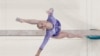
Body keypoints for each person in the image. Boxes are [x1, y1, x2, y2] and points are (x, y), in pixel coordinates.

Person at [16, 8, 82, 56]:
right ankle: (78, 36)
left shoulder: (50, 18)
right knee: (67, 35)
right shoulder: (48, 33)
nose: (42, 24)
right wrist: (37, 54)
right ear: (43, 28)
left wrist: (50, 10)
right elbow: (43, 45)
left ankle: (23, 20)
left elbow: (52, 10)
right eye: (41, 26)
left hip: (57, 25)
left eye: (41, 23)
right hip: (56, 34)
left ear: (43, 21)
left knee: (37, 21)